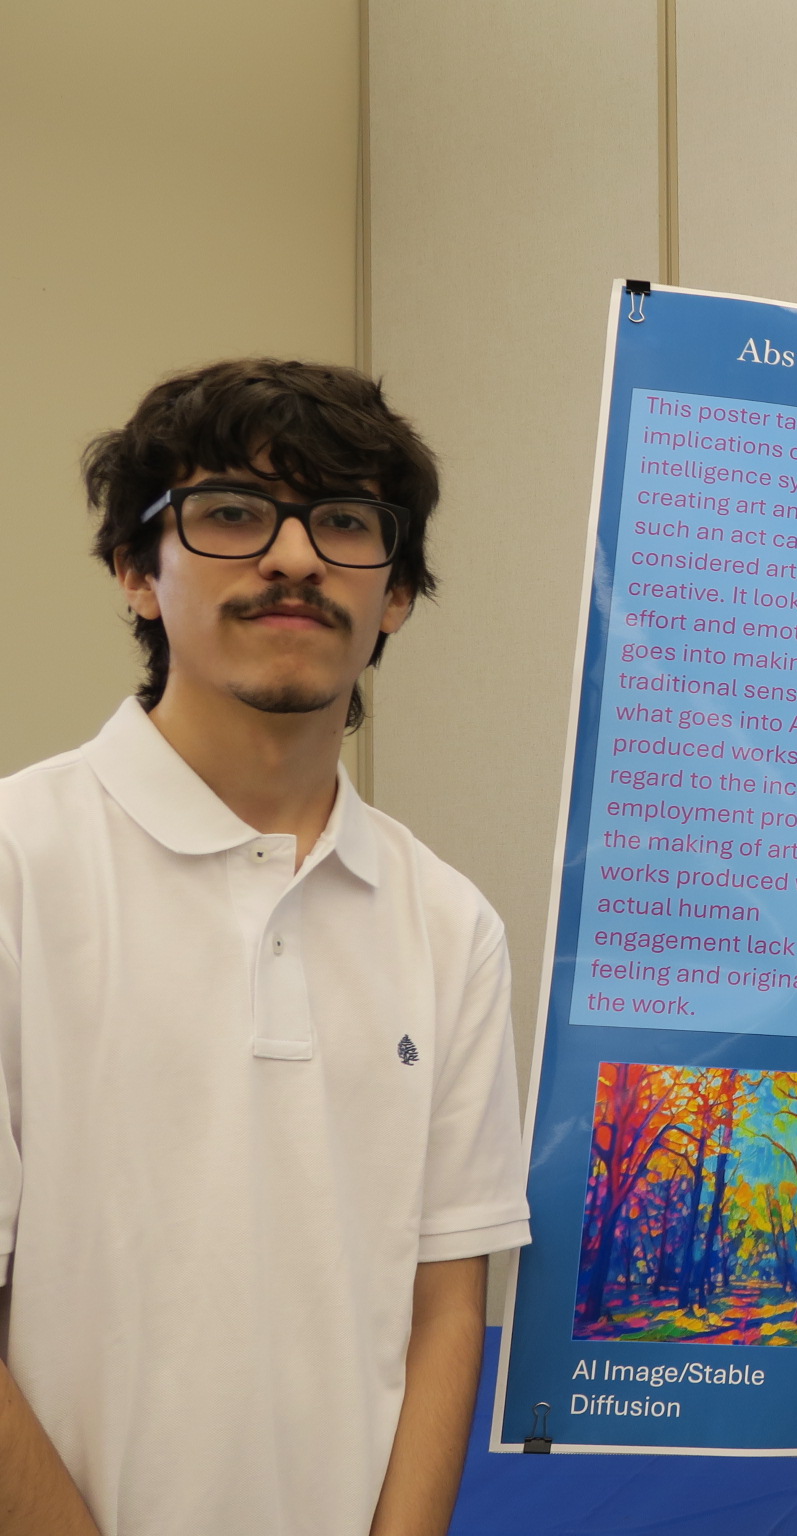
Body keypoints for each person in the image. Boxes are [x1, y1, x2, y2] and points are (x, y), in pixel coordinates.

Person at [0, 360, 531, 1536]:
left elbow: (446, 1313)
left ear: (394, 597)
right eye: (234, 513)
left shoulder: (450, 925)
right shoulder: (17, 865)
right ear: (138, 574)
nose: (294, 556)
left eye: (344, 522)